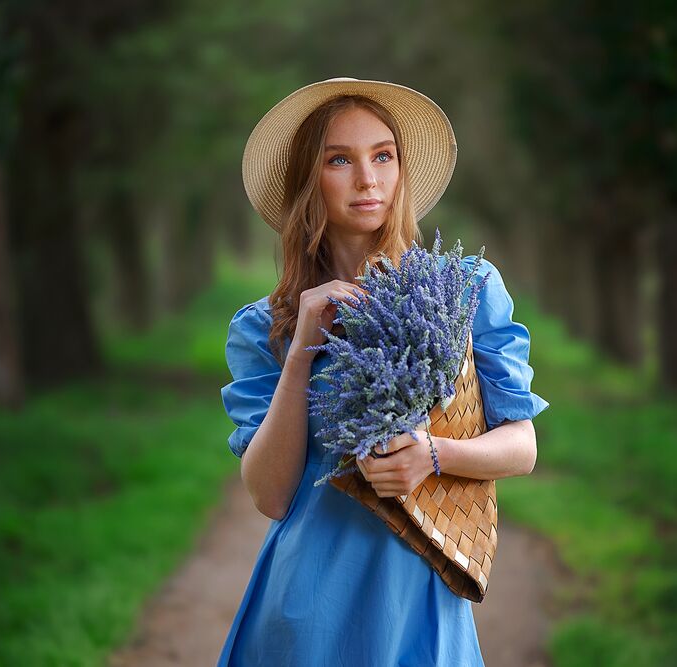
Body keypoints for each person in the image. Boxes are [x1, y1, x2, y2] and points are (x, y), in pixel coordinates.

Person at [218, 77, 549, 666]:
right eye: (339, 160)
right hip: (307, 610)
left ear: (400, 170)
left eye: (383, 156)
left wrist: (434, 454)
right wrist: (300, 351)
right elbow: (270, 495)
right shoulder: (259, 328)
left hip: (420, 595)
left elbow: (522, 447)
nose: (368, 179)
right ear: (308, 182)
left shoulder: (466, 291)